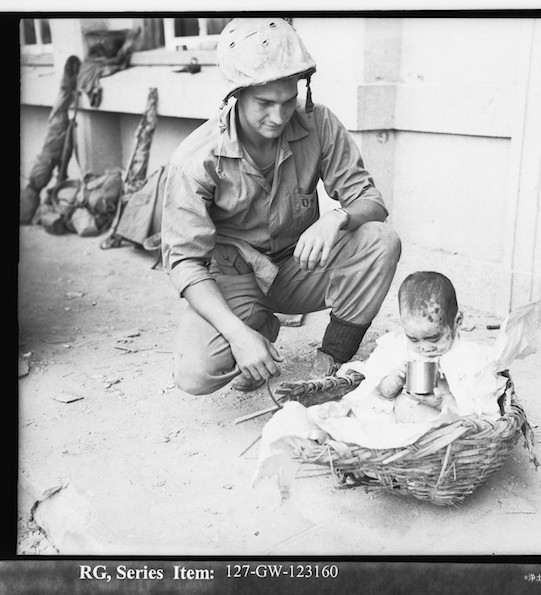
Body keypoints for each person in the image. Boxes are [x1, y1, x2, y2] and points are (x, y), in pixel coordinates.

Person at [161, 17, 401, 395]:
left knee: (381, 241)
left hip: (297, 269)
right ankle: (255, 327)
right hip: (232, 279)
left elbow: (371, 202)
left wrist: (337, 217)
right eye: (264, 103)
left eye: (288, 101)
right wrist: (237, 335)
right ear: (235, 95)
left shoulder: (319, 123)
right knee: (195, 373)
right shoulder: (195, 158)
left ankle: (333, 358)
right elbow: (184, 262)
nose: (279, 116)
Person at [343, 271, 505, 422]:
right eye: (413, 339)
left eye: (434, 338)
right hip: (396, 427)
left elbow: (480, 419)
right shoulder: (397, 347)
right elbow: (377, 392)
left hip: (444, 432)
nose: (425, 348)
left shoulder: (471, 358)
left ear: (458, 321)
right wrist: (396, 379)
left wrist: (443, 401)